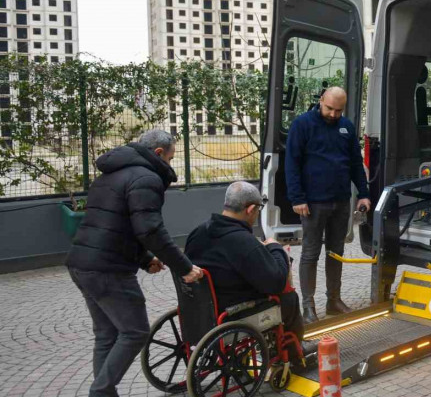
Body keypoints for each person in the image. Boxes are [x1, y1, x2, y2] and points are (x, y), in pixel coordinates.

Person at [66, 129, 203, 397]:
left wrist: (145, 259)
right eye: (171, 159)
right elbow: (150, 230)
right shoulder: (146, 178)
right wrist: (184, 267)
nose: (170, 165)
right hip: (109, 269)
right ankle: (100, 391)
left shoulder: (110, 174)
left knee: (106, 335)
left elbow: (117, 225)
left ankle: (103, 393)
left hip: (82, 263)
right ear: (159, 153)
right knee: (135, 332)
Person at [185, 181, 307, 346]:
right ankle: (293, 352)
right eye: (258, 209)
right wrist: (275, 248)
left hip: (200, 312)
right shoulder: (242, 241)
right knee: (289, 299)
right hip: (231, 314)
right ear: (250, 210)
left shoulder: (197, 233)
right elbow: (276, 282)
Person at [286, 86, 370, 323]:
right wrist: (297, 198)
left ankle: (334, 300)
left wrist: (363, 193)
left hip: (341, 201)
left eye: (338, 110)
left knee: (336, 252)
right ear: (321, 99)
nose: (333, 114)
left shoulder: (346, 127)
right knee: (310, 254)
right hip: (313, 204)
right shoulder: (302, 125)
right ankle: (308, 307)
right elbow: (292, 164)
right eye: (329, 108)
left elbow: (355, 162)